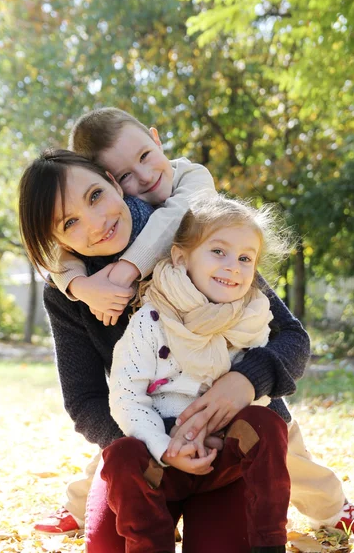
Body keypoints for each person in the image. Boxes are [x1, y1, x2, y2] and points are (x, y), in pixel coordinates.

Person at [30, 108, 354, 539]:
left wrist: (247, 381)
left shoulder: (197, 237)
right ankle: (80, 504)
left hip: (232, 397)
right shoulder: (73, 284)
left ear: (109, 186)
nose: (96, 221)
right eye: (71, 221)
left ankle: (336, 509)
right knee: (116, 454)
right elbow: (89, 400)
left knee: (289, 454)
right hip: (145, 407)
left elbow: (290, 337)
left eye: (96, 196)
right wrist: (159, 440)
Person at [102, 195, 293, 553]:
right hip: (162, 456)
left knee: (268, 424)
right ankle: (150, 546)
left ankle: (269, 543)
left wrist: (221, 431)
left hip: (221, 456)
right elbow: (126, 395)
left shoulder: (252, 317)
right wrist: (164, 447)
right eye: (218, 251)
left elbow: (260, 393)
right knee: (121, 455)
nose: (233, 266)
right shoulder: (151, 319)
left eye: (245, 258)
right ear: (180, 256)